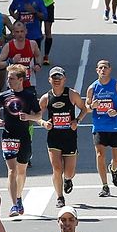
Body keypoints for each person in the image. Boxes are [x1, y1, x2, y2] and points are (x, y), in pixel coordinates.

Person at [38, 66, 86, 209]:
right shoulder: (46, 97)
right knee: (57, 168)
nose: (57, 80)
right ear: (49, 80)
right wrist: (43, 123)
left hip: (69, 137)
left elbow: (84, 109)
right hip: (54, 137)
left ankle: (68, 179)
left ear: (64, 79)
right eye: (54, 78)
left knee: (69, 171)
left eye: (59, 78)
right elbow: (37, 116)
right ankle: (59, 197)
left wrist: (77, 121)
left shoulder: (72, 94)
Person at [86, 60, 117, 198]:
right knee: (100, 155)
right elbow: (86, 107)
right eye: (100, 68)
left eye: (105, 67)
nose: (103, 70)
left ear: (110, 70)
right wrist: (92, 106)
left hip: (115, 125)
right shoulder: (92, 88)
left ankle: (113, 169)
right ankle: (105, 186)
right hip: (99, 125)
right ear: (97, 70)